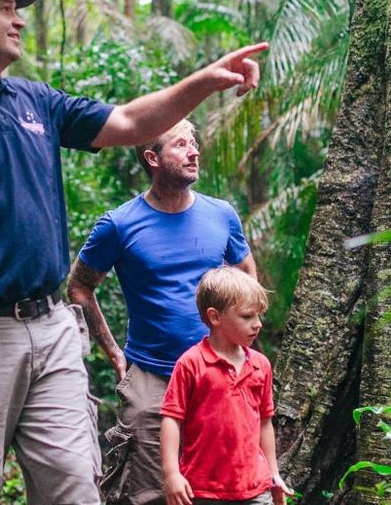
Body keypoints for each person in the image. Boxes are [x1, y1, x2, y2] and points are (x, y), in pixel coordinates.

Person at [0, 0, 267, 505]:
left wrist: (206, 80)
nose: (18, 19)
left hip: (52, 327)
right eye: (6, 7)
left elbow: (129, 122)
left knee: (77, 490)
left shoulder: (35, 102)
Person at [67, 118, 256, 505]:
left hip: (219, 376)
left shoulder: (221, 215)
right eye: (181, 144)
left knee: (222, 489)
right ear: (152, 158)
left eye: (194, 142)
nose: (194, 151)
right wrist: (114, 353)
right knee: (150, 493)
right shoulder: (119, 225)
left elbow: (247, 276)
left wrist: (245, 349)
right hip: (152, 380)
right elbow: (79, 286)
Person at [159, 267, 292, 505]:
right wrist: (171, 474)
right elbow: (172, 419)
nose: (258, 324)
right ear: (215, 317)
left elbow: (264, 422)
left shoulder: (261, 365)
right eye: (247, 316)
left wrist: (274, 474)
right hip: (202, 489)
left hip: (255, 488)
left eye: (259, 315)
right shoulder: (191, 363)